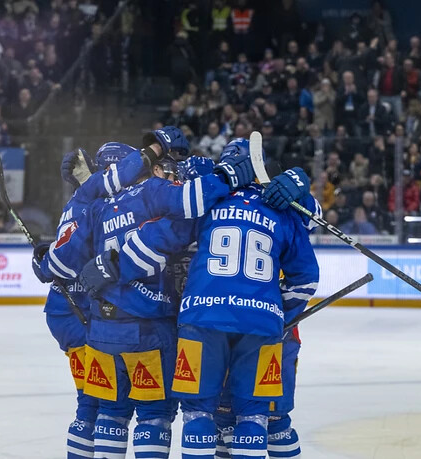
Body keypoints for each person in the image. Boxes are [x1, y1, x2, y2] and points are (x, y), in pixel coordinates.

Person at [78, 141, 319, 459]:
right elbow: (307, 272)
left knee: (199, 414)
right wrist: (278, 313)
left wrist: (112, 265)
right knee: (260, 417)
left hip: (202, 320)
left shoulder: (205, 200)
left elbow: (156, 239)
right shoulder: (281, 205)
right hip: (262, 325)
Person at [34, 134, 255, 458]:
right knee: (157, 414)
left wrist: (44, 261)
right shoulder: (154, 197)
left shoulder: (91, 205)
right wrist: (225, 178)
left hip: (99, 329)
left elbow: (62, 263)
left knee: (101, 410)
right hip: (156, 327)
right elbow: (179, 220)